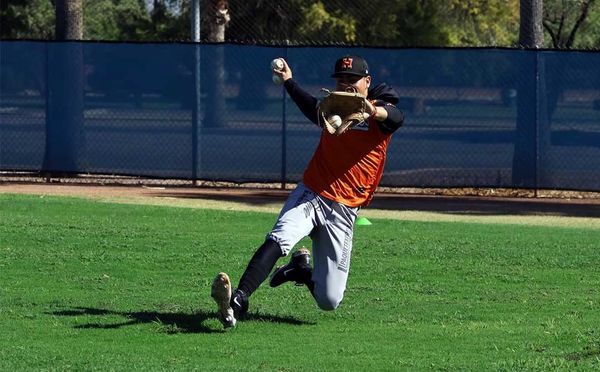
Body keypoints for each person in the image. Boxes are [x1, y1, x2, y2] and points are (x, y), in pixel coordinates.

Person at [211, 55, 405, 328]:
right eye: (341, 79)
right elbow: (311, 107)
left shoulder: (379, 110)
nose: (346, 84)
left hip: (345, 209)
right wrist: (289, 82)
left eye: (353, 79)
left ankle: (301, 270)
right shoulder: (333, 109)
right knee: (280, 239)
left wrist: (371, 110)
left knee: (329, 300)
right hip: (313, 193)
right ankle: (239, 299)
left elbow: (396, 117)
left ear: (367, 82)